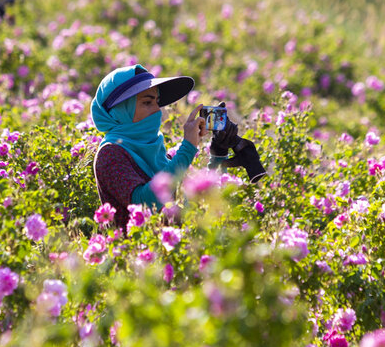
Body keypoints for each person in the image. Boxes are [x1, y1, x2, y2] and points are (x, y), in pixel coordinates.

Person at [90, 64, 265, 235]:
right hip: (137, 259)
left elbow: (195, 201)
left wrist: (218, 153)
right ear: (120, 110)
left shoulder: (156, 152)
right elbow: (143, 204)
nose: (157, 110)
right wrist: (188, 148)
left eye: (157, 102)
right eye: (147, 102)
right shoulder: (110, 153)